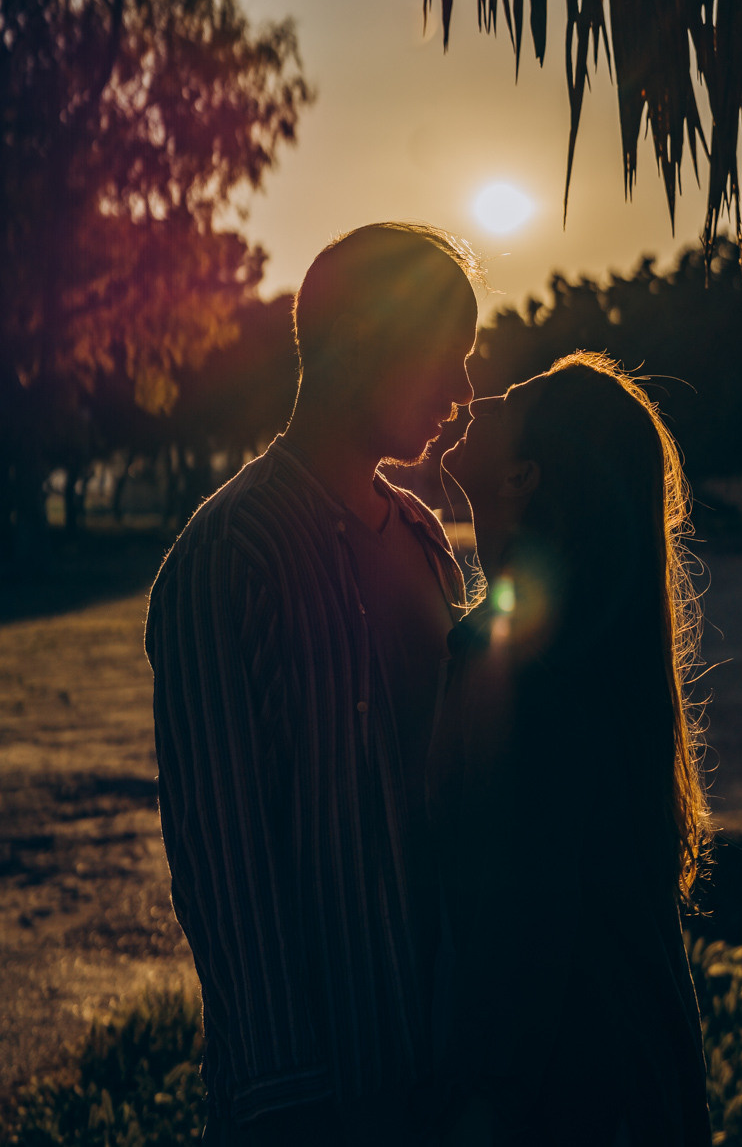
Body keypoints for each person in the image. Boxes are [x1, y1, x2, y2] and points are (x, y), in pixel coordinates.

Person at [145, 223, 480, 1146]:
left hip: (443, 1065)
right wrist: (290, 1101)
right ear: (365, 342)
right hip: (319, 1100)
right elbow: (225, 864)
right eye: (444, 358)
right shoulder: (229, 557)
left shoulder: (419, 536)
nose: (461, 393)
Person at [429, 351, 713, 1147]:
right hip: (636, 1078)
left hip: (576, 1100)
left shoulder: (520, 666)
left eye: (514, 396)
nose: (483, 394)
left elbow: (518, 946)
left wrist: (471, 1113)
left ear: (522, 477)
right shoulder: (591, 656)